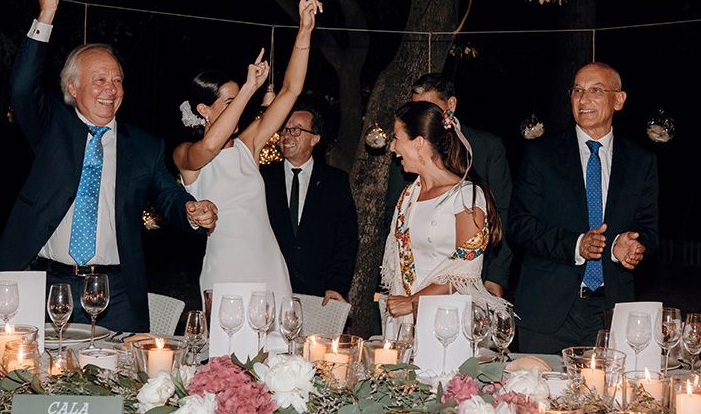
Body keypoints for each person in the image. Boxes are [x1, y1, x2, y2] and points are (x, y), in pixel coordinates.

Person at [0, 0, 218, 332]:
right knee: (35, 379)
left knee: (123, 383)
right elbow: (21, 88)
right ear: (72, 88)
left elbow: (167, 196)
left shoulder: (143, 147)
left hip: (115, 292)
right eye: (99, 79)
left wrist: (191, 211)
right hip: (47, 284)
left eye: (117, 80)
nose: (110, 89)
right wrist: (46, 14)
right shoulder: (52, 127)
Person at [175, 0, 322, 307]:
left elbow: (290, 91)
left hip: (268, 266)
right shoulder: (187, 155)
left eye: (238, 100)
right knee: (229, 358)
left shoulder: (248, 145)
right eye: (228, 102)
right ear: (203, 110)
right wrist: (247, 90)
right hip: (226, 271)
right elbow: (211, 145)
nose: (239, 107)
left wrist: (304, 30)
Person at [508, 62, 658, 354]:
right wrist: (576, 244)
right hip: (547, 312)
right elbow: (519, 224)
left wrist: (630, 246)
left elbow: (649, 229)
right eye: (577, 90)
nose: (583, 99)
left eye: (595, 90)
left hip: (612, 313)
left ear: (619, 99)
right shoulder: (541, 155)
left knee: (606, 399)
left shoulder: (641, 161)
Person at [382, 101, 509, 336]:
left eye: (397, 138)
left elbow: (465, 272)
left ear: (418, 143)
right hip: (405, 319)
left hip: (448, 322)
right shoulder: (409, 195)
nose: (392, 147)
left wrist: (412, 300)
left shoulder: (466, 196)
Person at [262, 102, 358, 305]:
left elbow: (346, 240)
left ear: (315, 138)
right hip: (269, 292)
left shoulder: (335, 181)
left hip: (319, 295)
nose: (286, 135)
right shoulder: (263, 178)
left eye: (296, 130)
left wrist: (336, 286)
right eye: (285, 129)